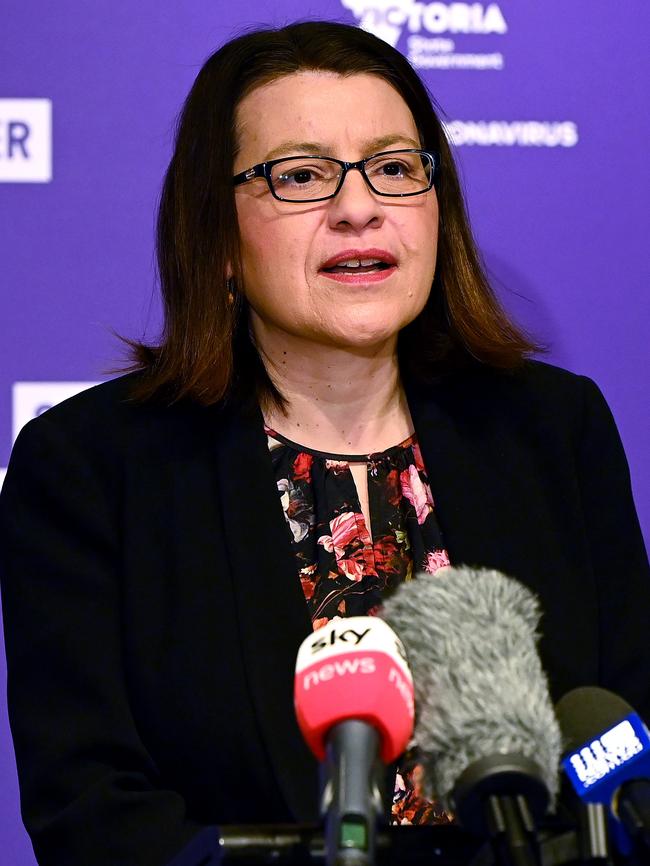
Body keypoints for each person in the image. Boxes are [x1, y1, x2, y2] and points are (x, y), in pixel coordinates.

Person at [1, 20, 648, 866]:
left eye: (393, 167)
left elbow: (625, 735)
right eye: (301, 175)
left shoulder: (554, 428)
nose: (358, 207)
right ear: (221, 240)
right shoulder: (89, 468)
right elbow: (93, 816)